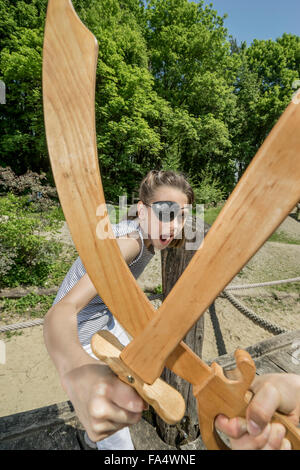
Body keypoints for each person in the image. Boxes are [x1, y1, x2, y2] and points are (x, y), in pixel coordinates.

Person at [43, 169, 300, 451]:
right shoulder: (130, 243)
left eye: (183, 216)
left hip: (106, 317)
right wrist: (76, 369)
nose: (176, 225)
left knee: (140, 369)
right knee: (120, 437)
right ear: (141, 212)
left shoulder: (144, 232)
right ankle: (102, 439)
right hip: (81, 330)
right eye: (166, 212)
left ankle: (95, 433)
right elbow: (61, 310)